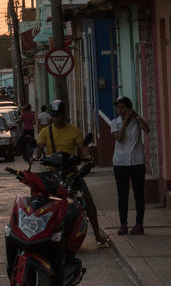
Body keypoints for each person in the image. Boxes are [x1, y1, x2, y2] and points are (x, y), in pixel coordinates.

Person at [33, 100, 110, 246]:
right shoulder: (45, 132)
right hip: (52, 174)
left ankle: (97, 234)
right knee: (38, 200)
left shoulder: (73, 130)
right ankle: (37, 233)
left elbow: (82, 147)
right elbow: (38, 148)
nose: (56, 118)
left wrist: (87, 156)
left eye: (59, 115)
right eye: (54, 116)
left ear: (64, 115)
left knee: (88, 200)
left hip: (71, 174)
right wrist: (34, 156)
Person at [110, 96, 149, 235]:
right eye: (118, 108)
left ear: (129, 108)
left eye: (123, 107)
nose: (120, 110)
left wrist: (136, 116)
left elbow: (147, 129)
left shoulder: (137, 122)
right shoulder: (115, 122)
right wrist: (125, 122)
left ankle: (139, 223)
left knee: (139, 193)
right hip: (121, 163)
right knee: (123, 194)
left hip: (137, 161)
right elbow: (119, 138)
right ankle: (123, 224)